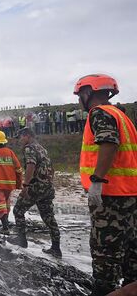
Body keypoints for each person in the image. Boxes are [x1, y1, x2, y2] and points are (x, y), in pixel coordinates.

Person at [74, 74, 137, 295]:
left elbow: (108, 143)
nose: (79, 100)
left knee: (105, 254)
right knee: (131, 251)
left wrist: (97, 181)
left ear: (87, 93)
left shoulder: (99, 112)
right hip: (130, 193)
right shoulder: (121, 115)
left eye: (79, 95)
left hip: (111, 195)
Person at [7, 127, 61, 258]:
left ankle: (22, 240)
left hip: (36, 187)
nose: (19, 140)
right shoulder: (42, 148)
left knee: (18, 210)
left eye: (20, 137)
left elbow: (31, 165)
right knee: (48, 216)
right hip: (47, 187)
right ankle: (56, 247)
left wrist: (25, 186)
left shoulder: (29, 148)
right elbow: (50, 168)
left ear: (27, 135)